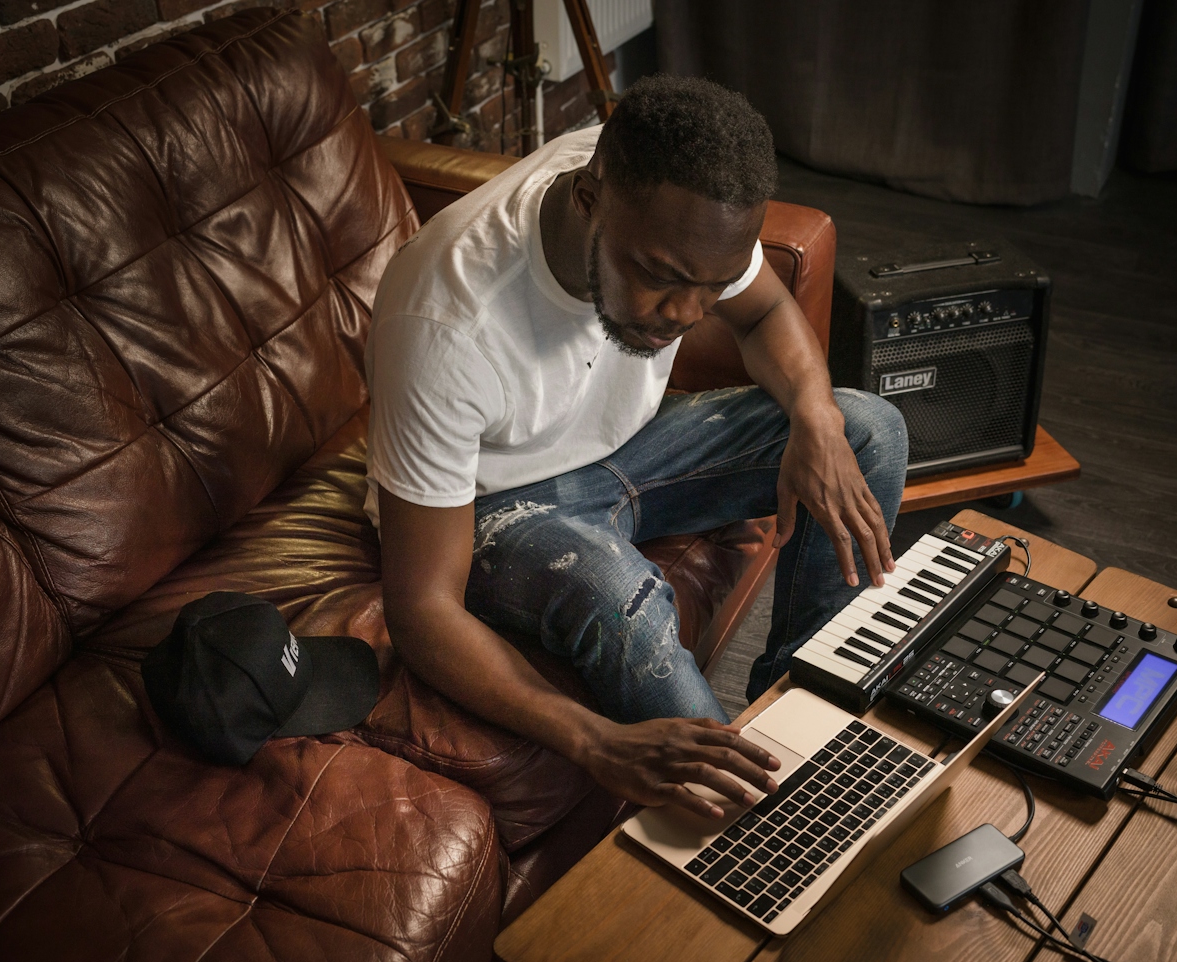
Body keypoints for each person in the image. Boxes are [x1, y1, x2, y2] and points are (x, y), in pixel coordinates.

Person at [366, 74, 907, 820]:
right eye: (661, 278)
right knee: (617, 592)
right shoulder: (445, 317)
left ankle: (805, 716)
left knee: (868, 430)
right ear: (589, 199)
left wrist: (815, 418)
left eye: (709, 288)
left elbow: (766, 311)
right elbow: (421, 607)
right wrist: (592, 741)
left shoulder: (683, 206)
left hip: (626, 451)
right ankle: (763, 826)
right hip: (490, 501)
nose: (685, 315)